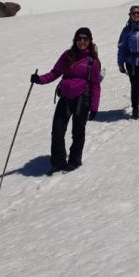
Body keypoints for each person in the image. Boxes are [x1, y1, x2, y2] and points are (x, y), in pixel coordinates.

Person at [31, 27, 101, 173]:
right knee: (57, 130)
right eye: (79, 38)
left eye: (85, 39)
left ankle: (74, 161)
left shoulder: (92, 62)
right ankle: (58, 162)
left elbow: (95, 85)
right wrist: (39, 80)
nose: (82, 41)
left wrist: (94, 107)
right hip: (66, 97)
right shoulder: (68, 55)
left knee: (78, 131)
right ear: (75, 40)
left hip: (83, 98)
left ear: (89, 41)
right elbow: (55, 72)